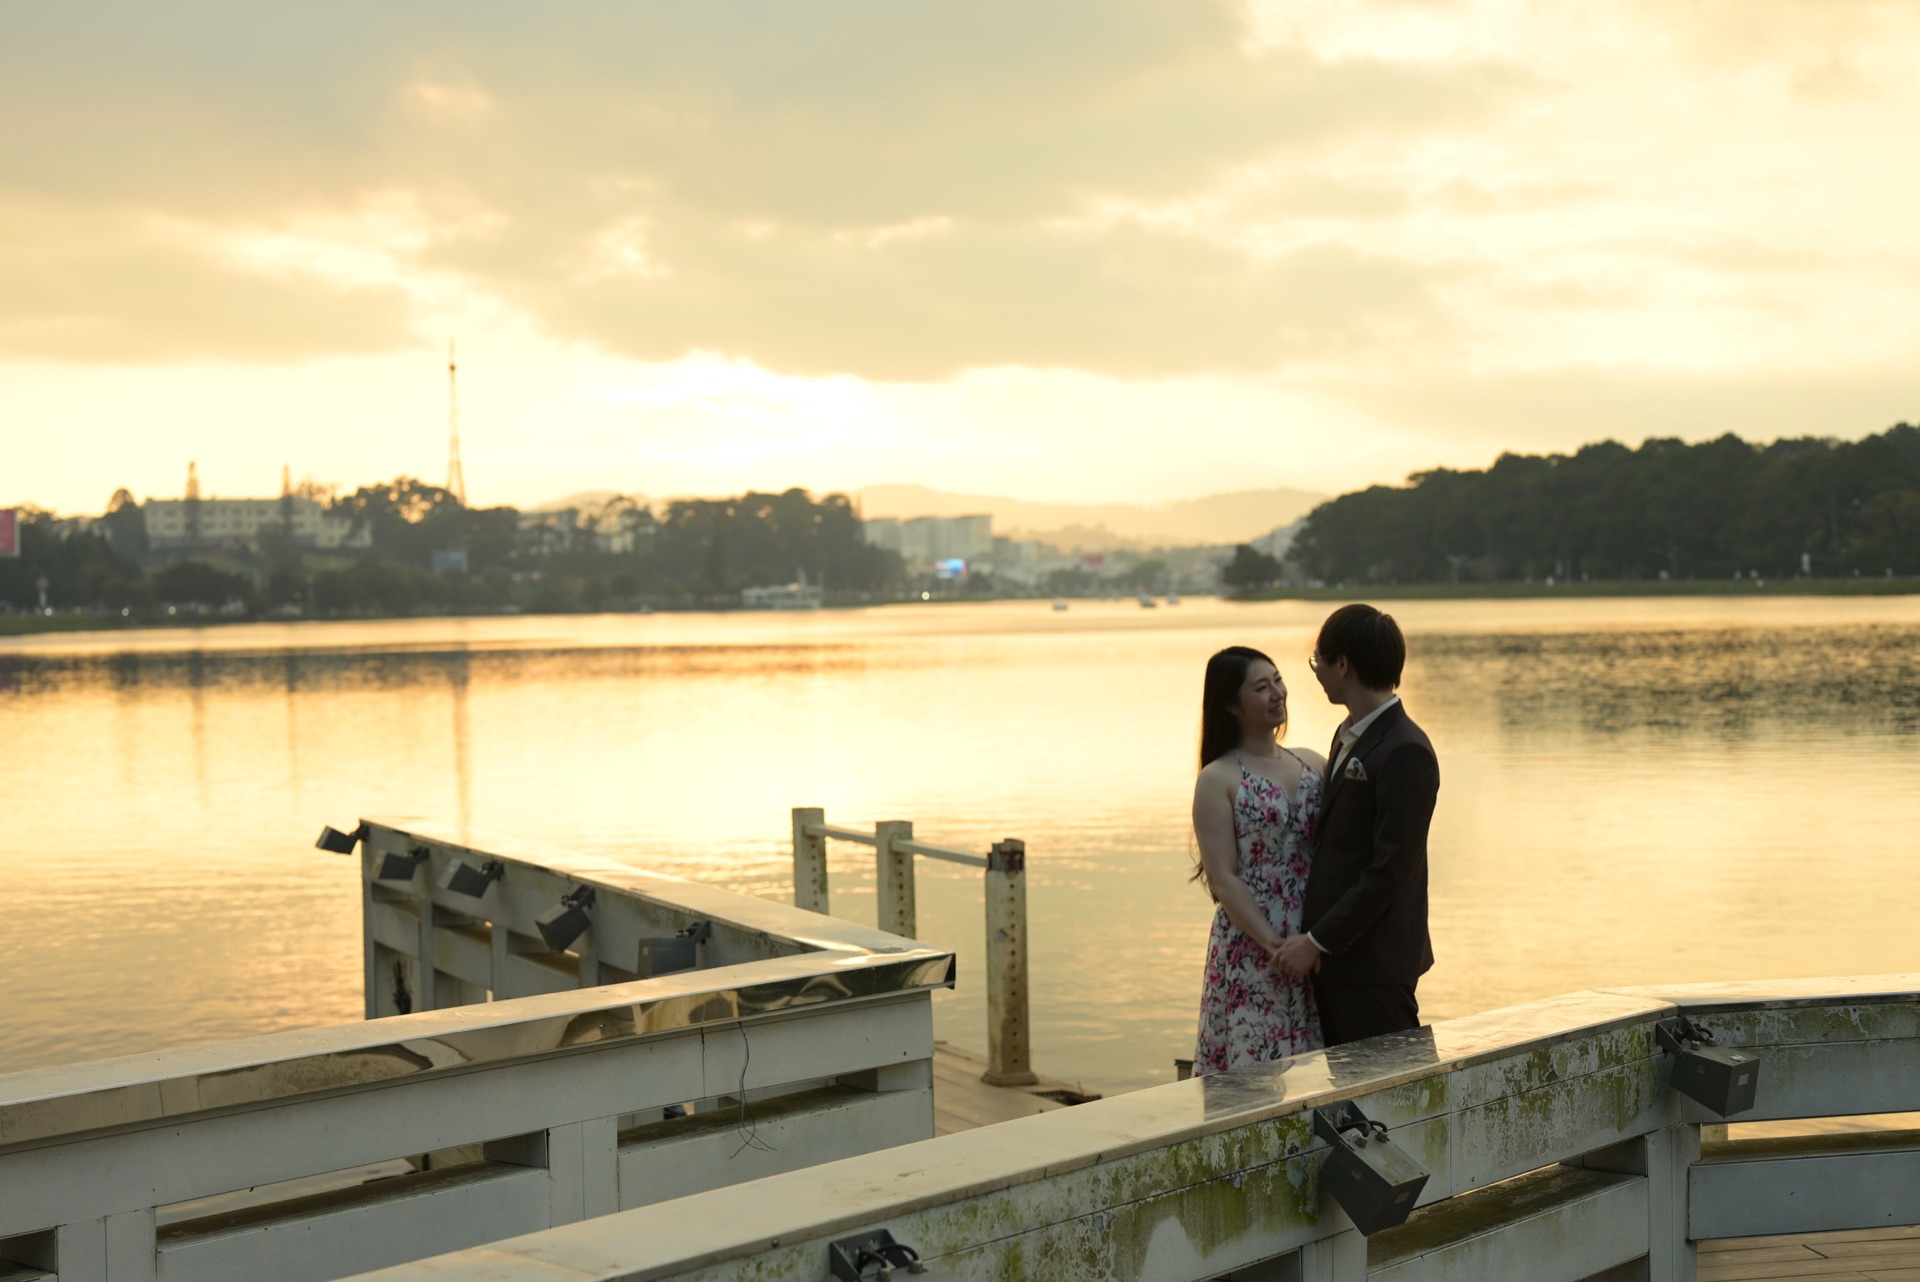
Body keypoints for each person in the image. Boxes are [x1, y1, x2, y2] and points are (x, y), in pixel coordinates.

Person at [1273, 605, 1440, 1046]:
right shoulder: (1349, 733)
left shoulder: (1405, 750)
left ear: (1342, 664)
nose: (1316, 672)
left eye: (1318, 661)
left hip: (1375, 963)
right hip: (1338, 961)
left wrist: (1318, 941)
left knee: (1399, 1082)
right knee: (1346, 1084)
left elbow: (1390, 870)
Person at [1190, 645, 1328, 1075]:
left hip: (1316, 939)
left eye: (1278, 680)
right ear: (1230, 705)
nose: (1277, 693)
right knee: (1253, 1080)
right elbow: (1223, 879)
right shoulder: (1218, 778)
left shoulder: (1314, 763)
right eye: (1261, 687)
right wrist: (1278, 947)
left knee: (1323, 1074)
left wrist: (1317, 941)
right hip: (1254, 947)